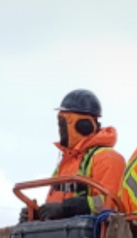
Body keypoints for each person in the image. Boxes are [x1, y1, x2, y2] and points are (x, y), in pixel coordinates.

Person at [19, 89, 126, 223]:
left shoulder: (107, 159)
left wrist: (67, 208)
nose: (60, 130)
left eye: (63, 124)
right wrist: (37, 215)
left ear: (83, 126)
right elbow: (54, 206)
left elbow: (111, 204)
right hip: (62, 236)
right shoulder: (65, 164)